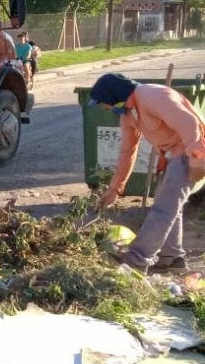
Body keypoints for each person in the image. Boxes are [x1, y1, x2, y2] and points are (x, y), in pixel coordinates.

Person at [88, 72, 205, 274]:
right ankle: (172, 258)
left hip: (190, 150)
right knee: (168, 204)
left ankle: (137, 259)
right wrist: (115, 189)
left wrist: (197, 159)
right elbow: (127, 153)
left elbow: (189, 124)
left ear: (112, 96)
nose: (103, 108)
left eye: (102, 103)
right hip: (172, 156)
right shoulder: (127, 115)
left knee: (163, 208)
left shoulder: (152, 96)